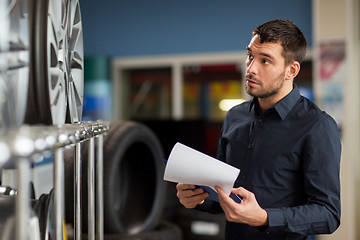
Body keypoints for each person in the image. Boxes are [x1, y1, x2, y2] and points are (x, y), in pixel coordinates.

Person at [176, 19, 341, 240]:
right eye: (250, 56)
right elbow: (223, 195)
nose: (251, 68)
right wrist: (198, 198)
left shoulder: (317, 126)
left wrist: (264, 217)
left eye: (265, 60)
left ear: (291, 70)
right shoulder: (235, 116)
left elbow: (328, 214)